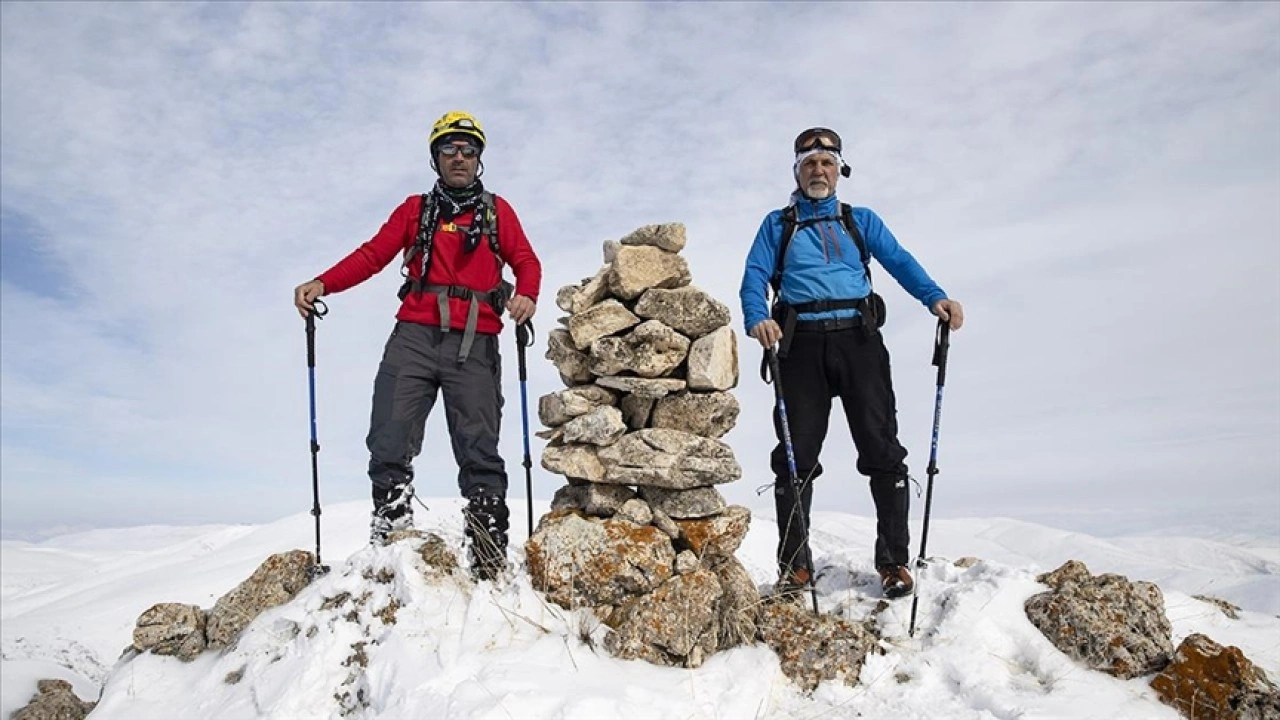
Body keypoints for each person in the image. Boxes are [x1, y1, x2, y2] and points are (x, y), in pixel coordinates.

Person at [293, 111, 541, 580]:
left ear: (479, 158)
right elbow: (372, 255)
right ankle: (393, 542)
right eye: (449, 149)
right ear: (435, 158)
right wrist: (323, 283)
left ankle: (488, 564)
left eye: (469, 150)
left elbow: (526, 260)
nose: (460, 157)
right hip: (414, 339)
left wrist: (527, 293)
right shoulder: (414, 210)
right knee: (389, 436)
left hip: (476, 342)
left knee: (479, 451)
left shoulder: (496, 211)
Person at [738, 127, 964, 600]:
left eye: (826, 163)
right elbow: (754, 276)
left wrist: (935, 297)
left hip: (860, 342)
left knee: (883, 450)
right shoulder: (777, 225)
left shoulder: (860, 220)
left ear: (840, 169)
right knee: (795, 457)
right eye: (809, 164)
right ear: (796, 172)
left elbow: (898, 261)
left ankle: (894, 563)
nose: (818, 171)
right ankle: (795, 567)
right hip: (799, 347)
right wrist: (758, 318)